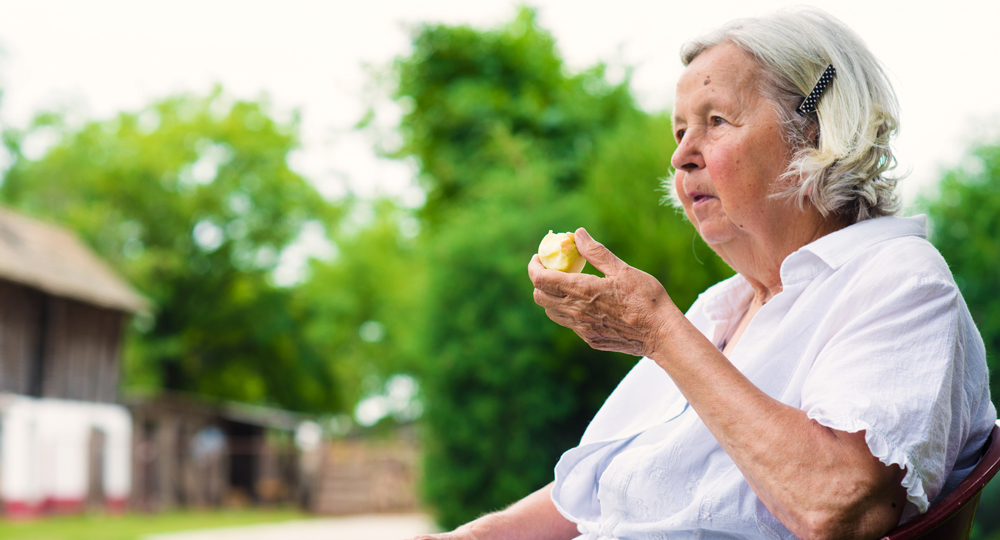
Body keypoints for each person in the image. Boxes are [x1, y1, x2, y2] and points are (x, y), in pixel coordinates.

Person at [410, 7, 996, 540]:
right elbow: (599, 496)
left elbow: (836, 508)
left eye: (715, 121)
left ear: (816, 130)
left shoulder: (899, 280)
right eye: (679, 131)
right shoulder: (723, 306)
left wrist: (660, 333)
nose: (681, 154)